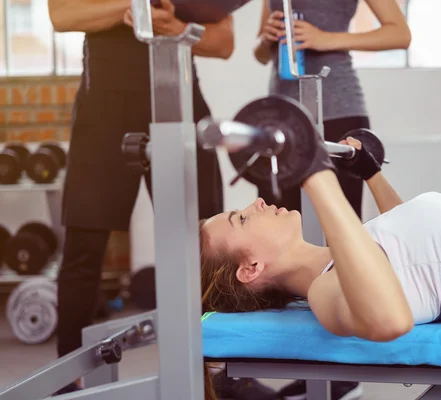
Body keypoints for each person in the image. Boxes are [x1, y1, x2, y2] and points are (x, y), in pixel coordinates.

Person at [199, 1, 441, 399]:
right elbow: (389, 318)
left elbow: (410, 245)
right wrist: (314, 174)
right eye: (241, 219)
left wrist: (370, 174)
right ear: (251, 268)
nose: (254, 205)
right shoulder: (326, 293)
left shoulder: (348, 258)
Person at [47, 1, 276, 398]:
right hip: (104, 103)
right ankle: (66, 381)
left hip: (178, 92)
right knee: (84, 246)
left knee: (207, 241)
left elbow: (223, 43)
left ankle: (223, 375)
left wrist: (172, 24)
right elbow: (61, 16)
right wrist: (131, 8)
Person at [253, 0, 411, 221]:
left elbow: (400, 34)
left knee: (340, 222)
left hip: (338, 112)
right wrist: (265, 39)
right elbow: (261, 55)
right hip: (282, 116)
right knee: (272, 221)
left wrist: (325, 39)